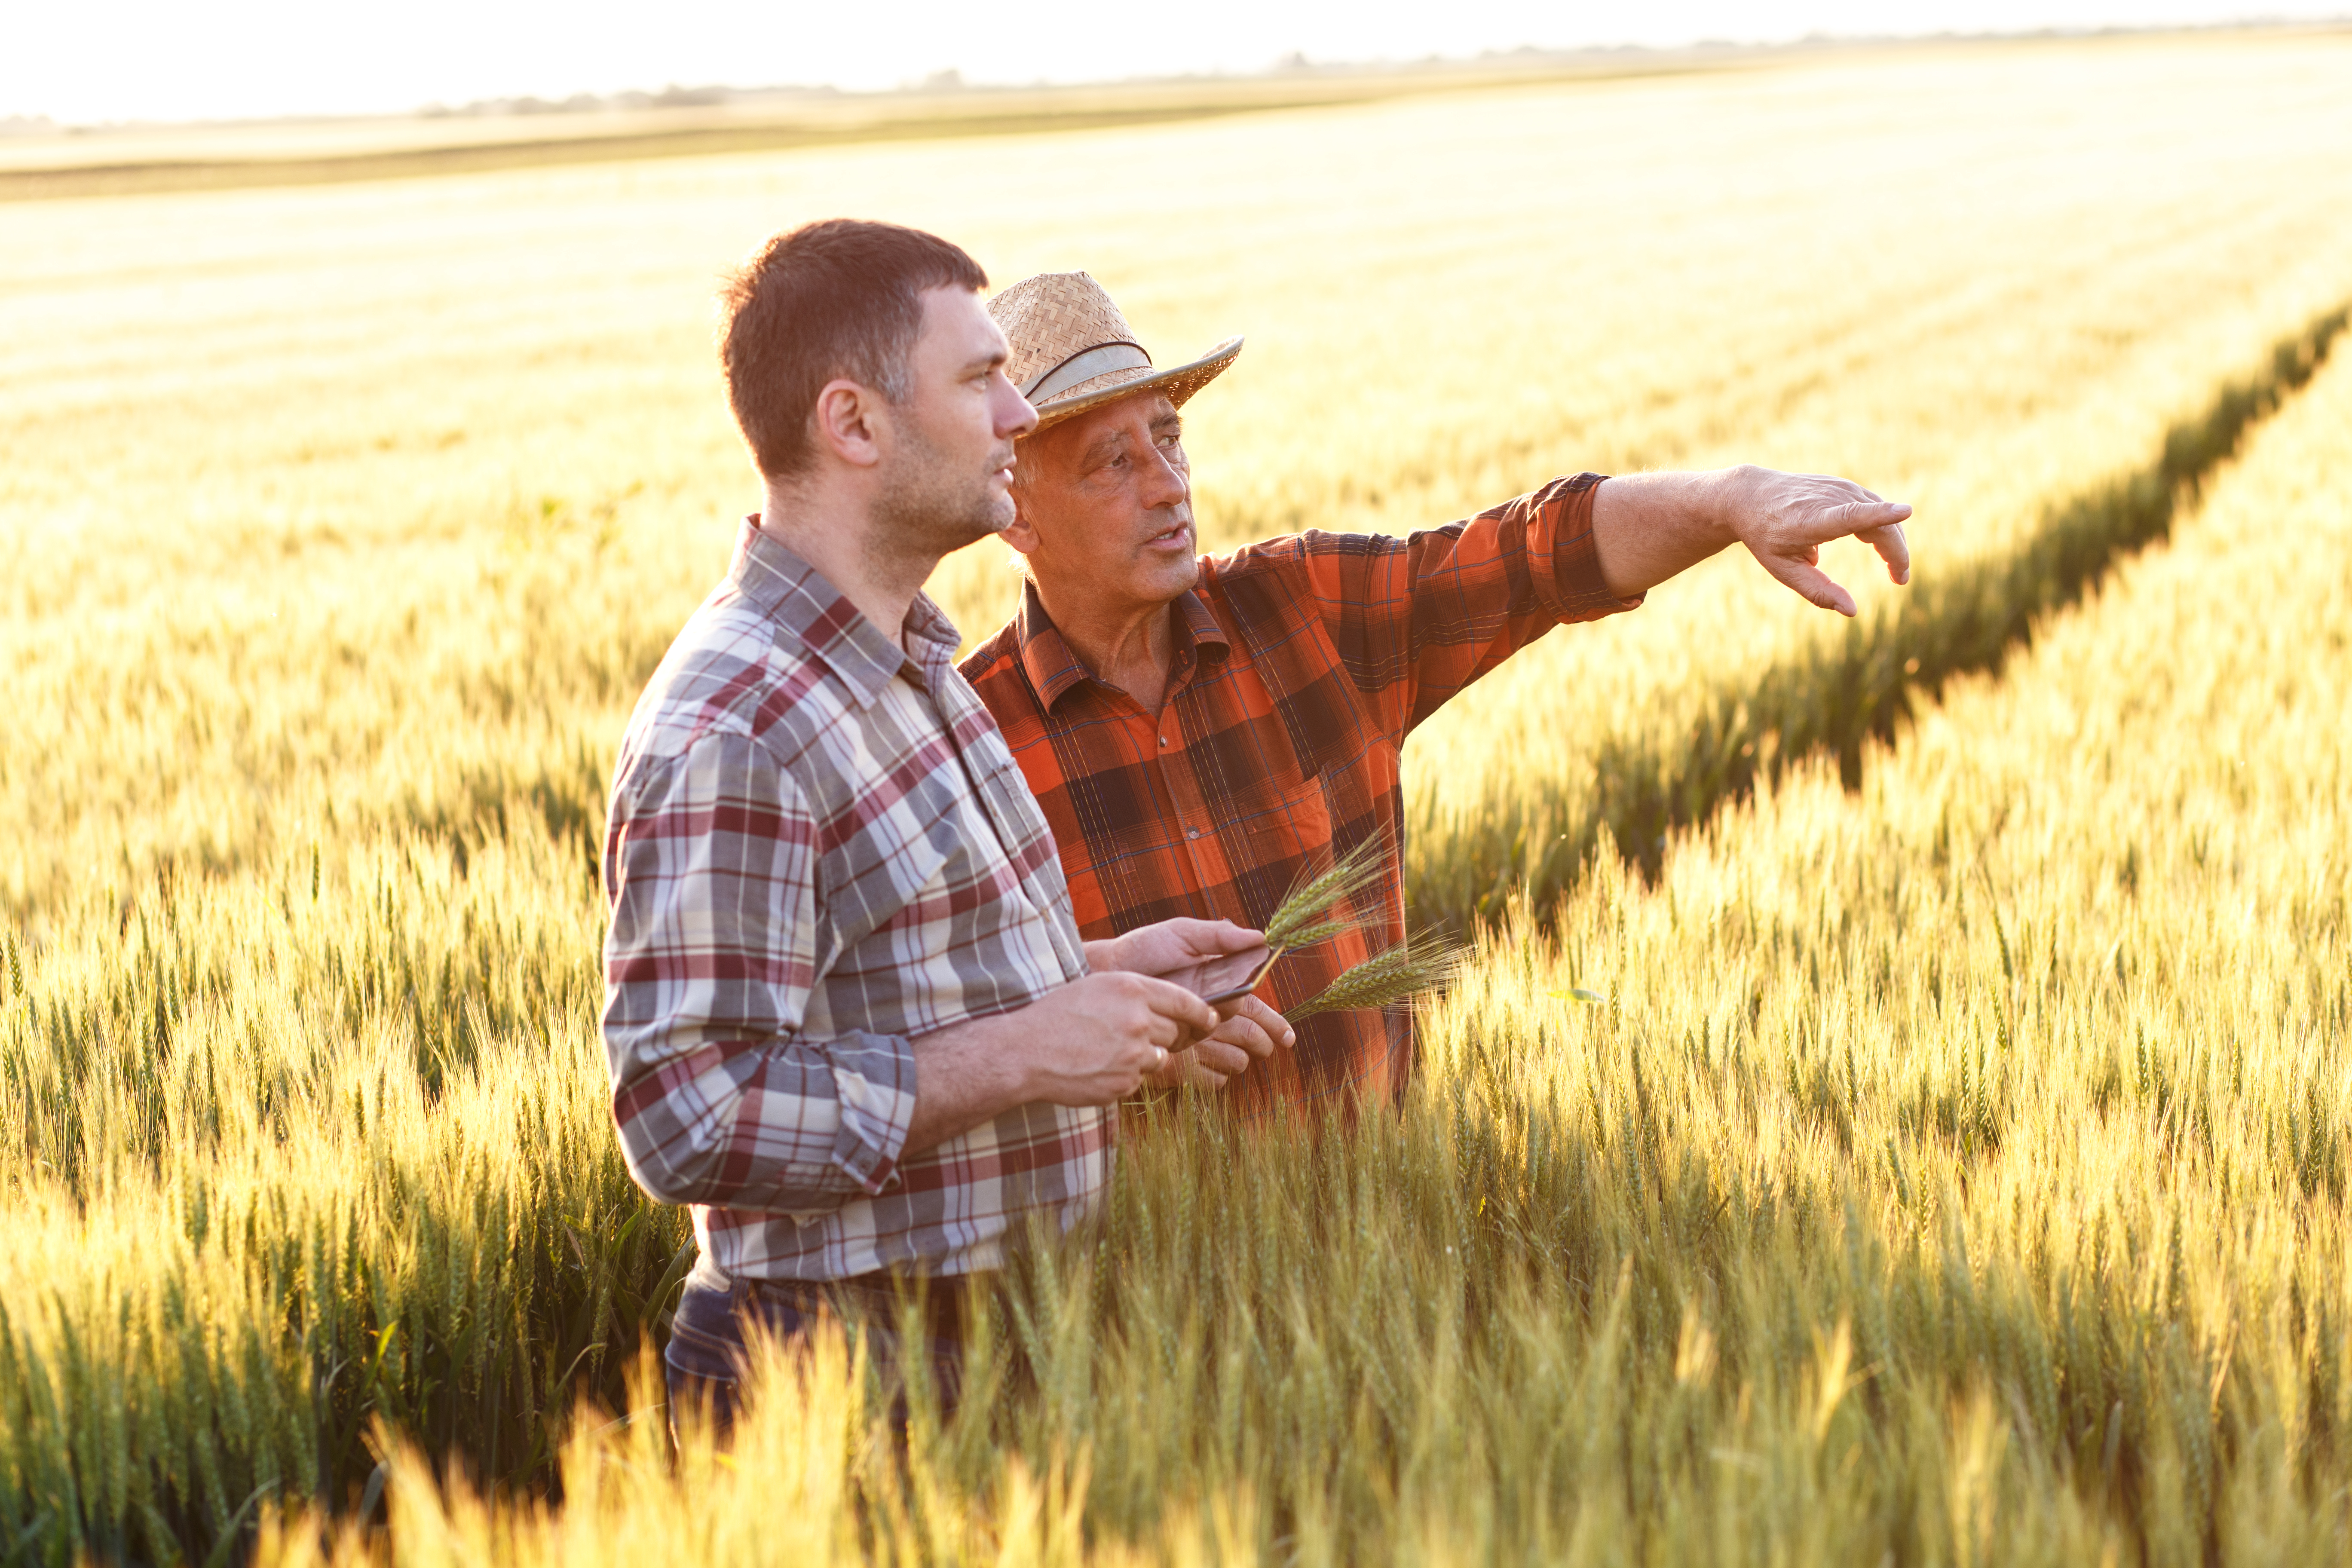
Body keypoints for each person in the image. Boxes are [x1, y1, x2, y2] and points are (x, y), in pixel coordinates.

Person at [600, 223, 1276, 1434]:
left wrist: (1103, 990)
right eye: (982, 379)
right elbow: (685, 1112)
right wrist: (1026, 1054)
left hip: (994, 1351)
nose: (1021, 414)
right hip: (841, 1384)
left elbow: (891, 985)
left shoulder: (911, 658)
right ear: (854, 425)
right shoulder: (740, 724)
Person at [960, 271, 1913, 1118]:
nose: (1168, 486)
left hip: (1394, 1235)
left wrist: (1731, 501)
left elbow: (1534, 556)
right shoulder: (967, 745)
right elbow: (938, 1027)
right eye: (1113, 462)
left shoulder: (1304, 611)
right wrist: (1112, 1056)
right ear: (1015, 511)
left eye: (1169, 441)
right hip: (1150, 1285)